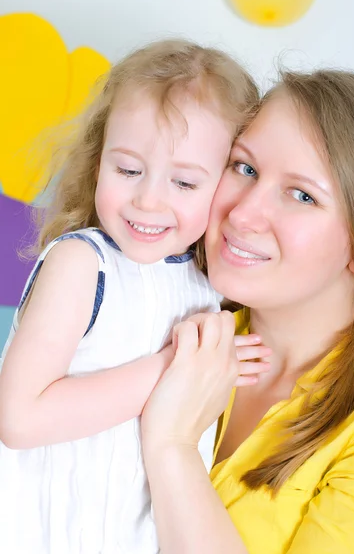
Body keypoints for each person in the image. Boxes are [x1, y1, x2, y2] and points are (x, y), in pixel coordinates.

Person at [0, 39, 268, 553]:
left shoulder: (208, 282)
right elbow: (19, 418)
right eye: (127, 170)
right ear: (99, 159)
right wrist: (178, 368)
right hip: (40, 531)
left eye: (185, 182)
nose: (148, 200)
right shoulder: (81, 264)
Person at [141, 69, 354, 553]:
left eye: (302, 195)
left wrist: (172, 447)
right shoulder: (168, 319)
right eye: (245, 168)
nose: (242, 214)